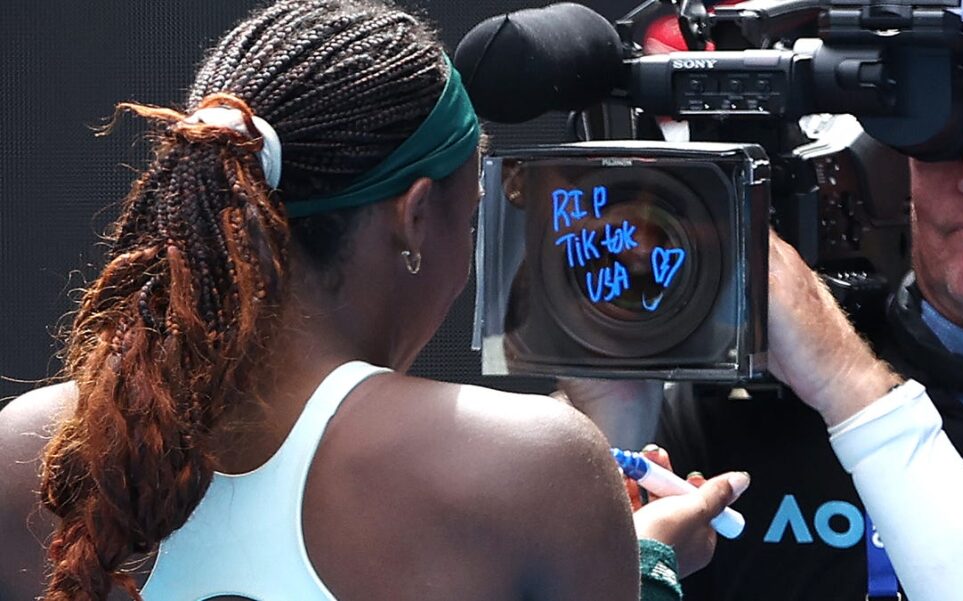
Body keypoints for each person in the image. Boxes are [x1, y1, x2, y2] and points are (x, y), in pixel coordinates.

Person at [0, 2, 747, 600]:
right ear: (417, 215)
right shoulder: (533, 466)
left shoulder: (26, 448)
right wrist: (645, 559)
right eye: (475, 202)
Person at [573, 1, 963, 600]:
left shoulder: (834, 376)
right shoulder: (745, 400)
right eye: (945, 117)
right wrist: (604, 431)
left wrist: (852, 390)